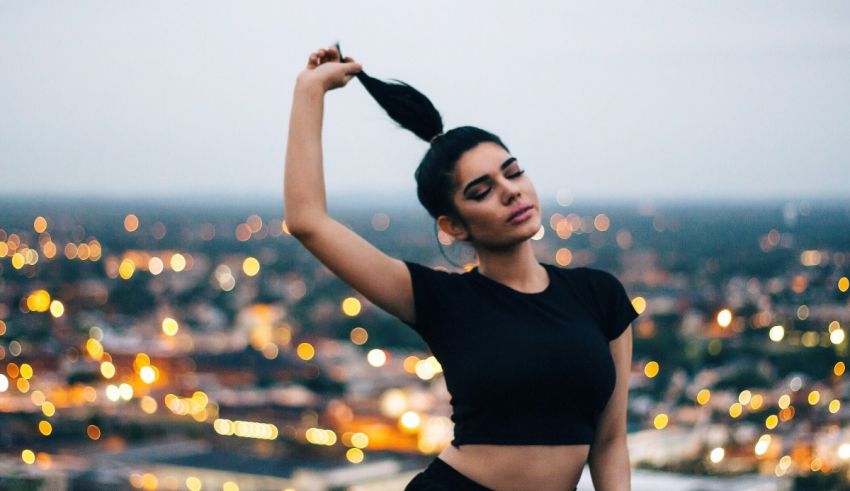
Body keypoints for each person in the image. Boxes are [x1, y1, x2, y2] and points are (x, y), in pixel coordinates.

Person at [284, 44, 639, 491]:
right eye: (481, 191)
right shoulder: (441, 300)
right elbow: (307, 221)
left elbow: (609, 442)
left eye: (513, 172)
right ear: (452, 226)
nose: (510, 191)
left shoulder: (599, 295)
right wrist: (310, 90)